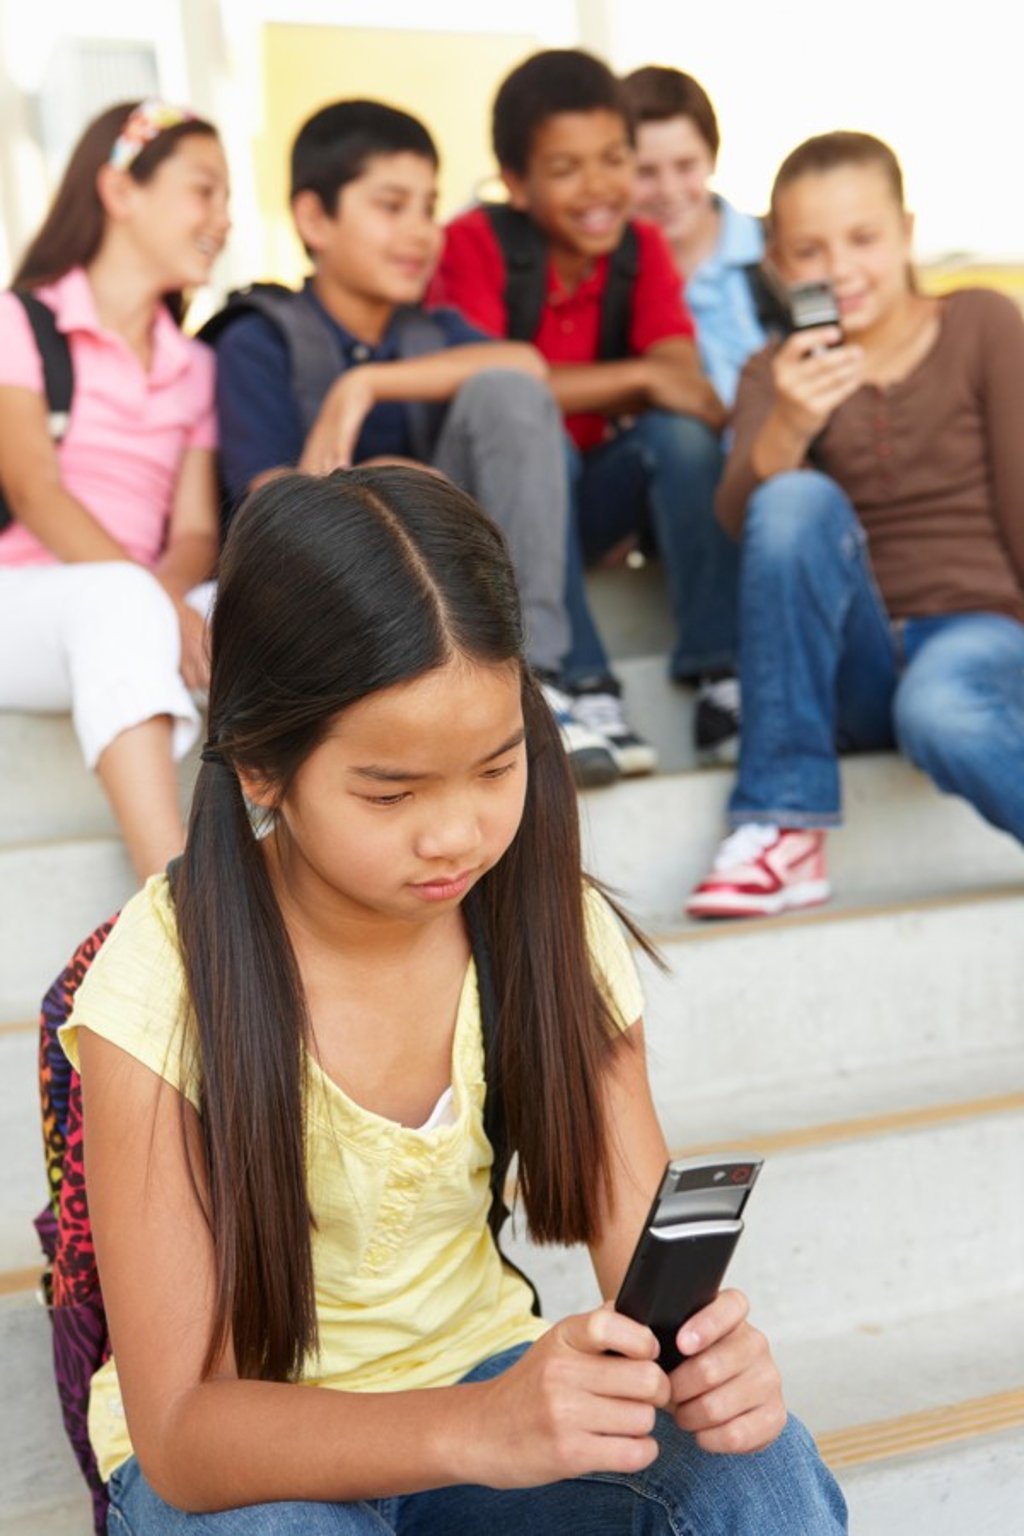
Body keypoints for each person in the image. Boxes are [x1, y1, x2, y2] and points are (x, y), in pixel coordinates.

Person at [64, 466, 847, 1531]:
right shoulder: (165, 971)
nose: (457, 835)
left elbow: (646, 1264)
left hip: (482, 1385)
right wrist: (476, 1431)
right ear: (257, 766)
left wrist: (714, 1370)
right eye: (389, 792)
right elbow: (186, 1436)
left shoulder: (547, 924)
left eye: (493, 769)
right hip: (251, 1459)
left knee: (751, 1465)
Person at [211, 97, 621, 790]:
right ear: (314, 218)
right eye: (391, 205)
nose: (419, 232)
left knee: (508, 392)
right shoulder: (260, 337)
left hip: (450, 587)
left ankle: (538, 679)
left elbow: (526, 366)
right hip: (338, 601)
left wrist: (366, 383)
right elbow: (268, 508)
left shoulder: (430, 333)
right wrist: (384, 481)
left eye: (428, 208)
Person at [687, 131, 1024, 918]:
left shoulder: (982, 324)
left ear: (906, 233)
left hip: (979, 639)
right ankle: (785, 823)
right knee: (793, 497)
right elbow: (742, 517)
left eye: (864, 238)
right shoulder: (775, 371)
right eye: (810, 250)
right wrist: (790, 427)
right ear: (776, 263)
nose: (839, 268)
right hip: (855, 666)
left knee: (938, 709)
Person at [433, 49, 743, 766]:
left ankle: (720, 671)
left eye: (613, 159)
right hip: (488, 504)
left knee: (681, 434)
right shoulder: (474, 243)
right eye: (566, 169)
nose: (600, 187)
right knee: (528, 420)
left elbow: (681, 379)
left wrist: (641, 381)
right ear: (515, 181)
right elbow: (489, 379)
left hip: (587, 495)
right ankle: (575, 678)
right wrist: (635, 376)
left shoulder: (638, 248)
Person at [0, 99, 228, 880]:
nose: (222, 218)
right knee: (115, 602)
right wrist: (152, 602)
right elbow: (35, 491)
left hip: (134, 600)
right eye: (204, 190)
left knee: (267, 602)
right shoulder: (19, 323)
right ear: (120, 191)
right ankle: (176, 902)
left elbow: (195, 530)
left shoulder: (193, 364)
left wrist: (164, 598)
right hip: (26, 599)